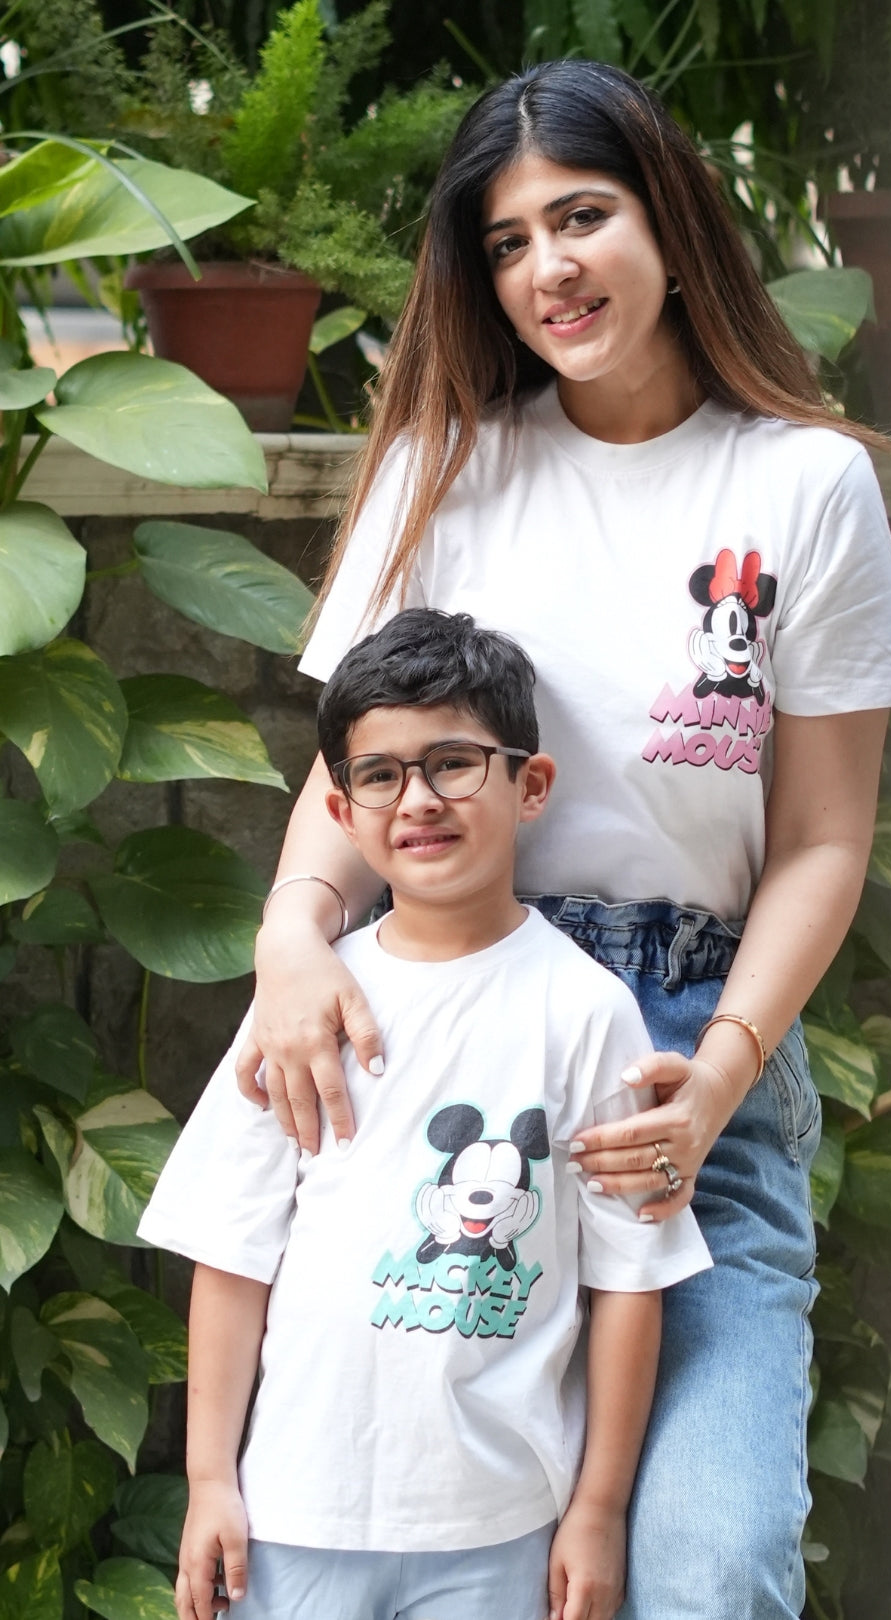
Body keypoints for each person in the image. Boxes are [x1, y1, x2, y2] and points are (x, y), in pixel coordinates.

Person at [238, 58, 891, 1620]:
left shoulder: (805, 484)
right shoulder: (448, 469)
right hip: (451, 1050)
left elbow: (822, 838)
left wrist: (722, 1076)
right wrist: (289, 931)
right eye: (507, 241)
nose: (548, 267)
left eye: (583, 215)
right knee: (442, 1549)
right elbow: (355, 781)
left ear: (669, 216)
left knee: (707, 1561)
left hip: (688, 1060)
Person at [140, 609, 711, 1620]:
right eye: (380, 774)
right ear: (342, 809)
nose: (418, 800)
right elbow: (233, 1253)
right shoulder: (301, 1007)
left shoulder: (585, 1014)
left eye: (453, 763)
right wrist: (210, 1480)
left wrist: (599, 1509)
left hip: (498, 1527)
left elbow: (628, 1279)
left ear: (530, 786)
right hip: (293, 1516)